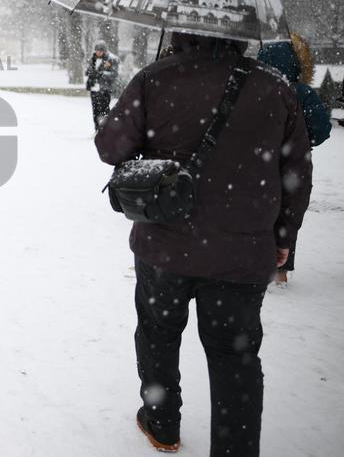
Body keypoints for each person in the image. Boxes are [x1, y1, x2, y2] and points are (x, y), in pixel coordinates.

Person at [95, 31, 312, 456]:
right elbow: (297, 172)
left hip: (164, 245)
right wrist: (284, 237)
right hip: (243, 251)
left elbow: (110, 147)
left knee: (158, 334)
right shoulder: (274, 86)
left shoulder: (155, 79)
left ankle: (161, 423)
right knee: (236, 357)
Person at [257, 33, 332, 287]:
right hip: (292, 164)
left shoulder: (255, 88)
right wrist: (304, 141)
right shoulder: (302, 93)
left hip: (258, 162)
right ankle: (281, 270)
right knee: (287, 212)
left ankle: (254, 261)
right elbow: (321, 128)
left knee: (257, 208)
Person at [85, 40, 119, 129]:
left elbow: (114, 74)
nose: (98, 52)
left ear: (104, 50)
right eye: (96, 50)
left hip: (105, 89)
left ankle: (105, 130)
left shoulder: (112, 59)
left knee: (104, 110)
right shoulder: (92, 58)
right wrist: (89, 73)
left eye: (100, 50)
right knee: (95, 110)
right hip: (94, 89)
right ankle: (97, 129)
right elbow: (88, 70)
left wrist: (101, 74)